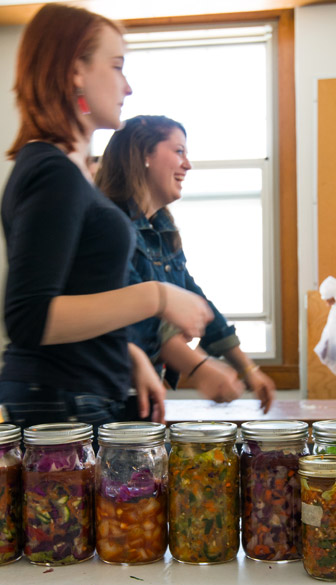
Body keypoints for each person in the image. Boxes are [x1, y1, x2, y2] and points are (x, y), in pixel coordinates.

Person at [0, 5, 213, 429]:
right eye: (117, 67)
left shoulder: (70, 172)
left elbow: (80, 290)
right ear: (75, 69)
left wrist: (129, 357)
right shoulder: (52, 172)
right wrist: (160, 297)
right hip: (57, 408)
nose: (127, 87)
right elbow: (30, 318)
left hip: (79, 398)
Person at [96, 115, 275, 412]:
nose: (188, 164)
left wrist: (247, 368)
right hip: (107, 396)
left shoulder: (162, 231)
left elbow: (199, 303)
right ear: (144, 154)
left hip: (143, 396)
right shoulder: (111, 225)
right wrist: (200, 368)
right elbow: (138, 317)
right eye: (179, 151)